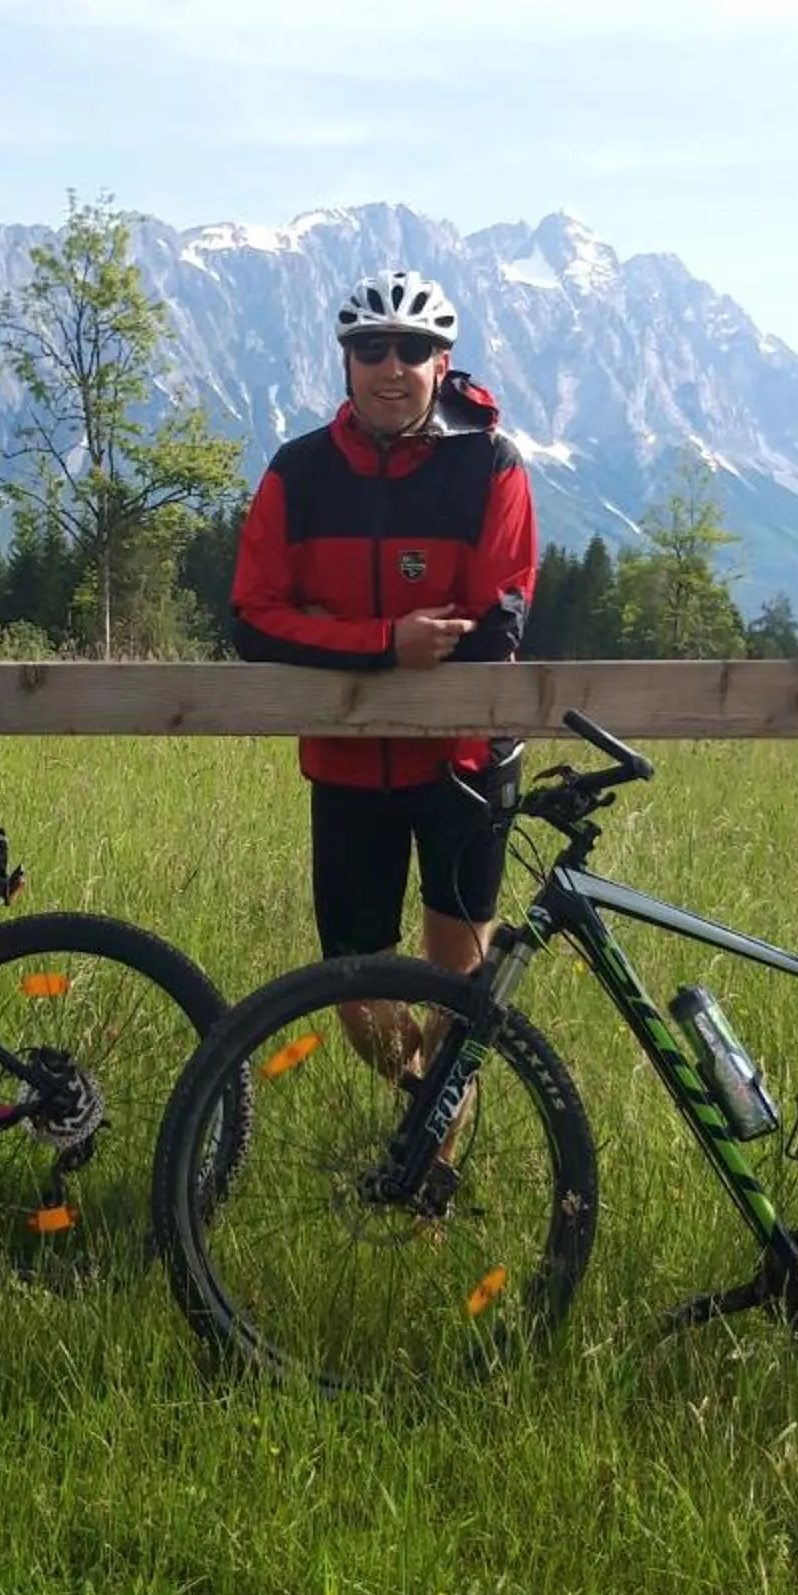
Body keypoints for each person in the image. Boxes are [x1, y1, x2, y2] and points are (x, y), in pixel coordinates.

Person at [230, 269, 536, 1074]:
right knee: (357, 996)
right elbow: (253, 622)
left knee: (458, 990)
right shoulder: (298, 474)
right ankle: (414, 1105)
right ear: (346, 362)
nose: (391, 366)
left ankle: (432, 1163)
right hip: (346, 761)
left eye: (413, 349)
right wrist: (387, 641)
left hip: (464, 760)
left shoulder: (490, 464)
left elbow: (491, 627)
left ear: (443, 364)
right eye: (372, 349)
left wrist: (327, 634)